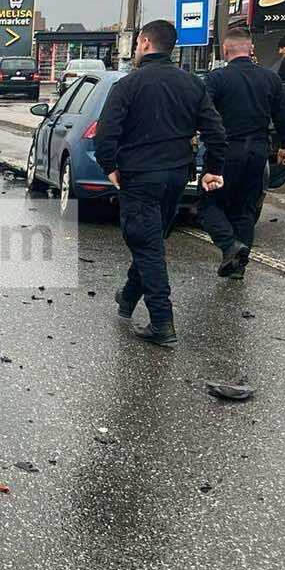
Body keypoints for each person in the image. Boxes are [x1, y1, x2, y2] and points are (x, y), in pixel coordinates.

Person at [94, 20, 227, 347]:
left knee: (147, 245)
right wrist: (213, 169)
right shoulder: (192, 84)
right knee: (150, 239)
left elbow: (106, 133)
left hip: (140, 176)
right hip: (176, 176)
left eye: (138, 43)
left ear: (144, 43)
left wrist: (109, 167)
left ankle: (162, 322)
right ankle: (128, 297)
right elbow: (216, 132)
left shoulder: (129, 84)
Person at [197, 28, 285, 279]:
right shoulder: (270, 79)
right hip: (257, 153)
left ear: (225, 50)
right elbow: (284, 117)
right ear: (251, 49)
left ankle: (230, 246)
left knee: (209, 205)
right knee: (245, 209)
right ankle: (238, 267)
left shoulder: (216, 79)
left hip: (225, 153)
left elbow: (203, 113)